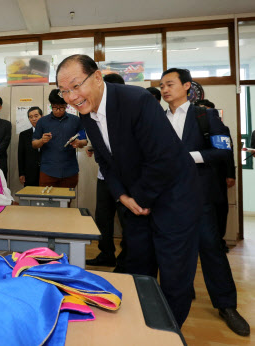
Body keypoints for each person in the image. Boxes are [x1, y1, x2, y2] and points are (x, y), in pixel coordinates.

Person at [57, 54, 201, 327]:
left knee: (174, 277)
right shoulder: (86, 113)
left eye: (76, 86)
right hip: (136, 200)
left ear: (97, 77)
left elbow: (163, 160)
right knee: (138, 269)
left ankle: (166, 335)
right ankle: (140, 330)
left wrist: (138, 199)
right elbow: (105, 160)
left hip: (174, 199)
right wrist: (123, 197)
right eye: (65, 91)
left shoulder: (136, 101)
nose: (72, 97)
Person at [161, 69, 249, 336]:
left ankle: (226, 305)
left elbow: (223, 151)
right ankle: (174, 301)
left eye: (170, 84)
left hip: (199, 198)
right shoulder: (157, 119)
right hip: (167, 200)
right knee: (172, 254)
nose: (164, 89)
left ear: (187, 86)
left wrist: (190, 157)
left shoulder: (205, 116)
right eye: (161, 85)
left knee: (211, 250)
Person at [86, 73, 127, 269]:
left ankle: (127, 259)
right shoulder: (93, 113)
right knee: (103, 217)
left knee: (127, 220)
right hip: (104, 177)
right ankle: (106, 253)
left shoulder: (128, 113)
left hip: (126, 179)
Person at [195, 99, 236, 252]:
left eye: (205, 110)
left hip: (218, 176)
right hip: (198, 178)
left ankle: (219, 240)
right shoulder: (193, 131)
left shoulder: (220, 129)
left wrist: (231, 174)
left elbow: (228, 154)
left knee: (219, 208)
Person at [32, 89, 87, 187]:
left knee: (67, 201)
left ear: (66, 106)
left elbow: (85, 141)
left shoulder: (76, 120)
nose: (58, 111)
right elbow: (34, 144)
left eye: (61, 108)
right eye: (54, 107)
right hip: (48, 171)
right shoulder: (42, 122)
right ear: (51, 105)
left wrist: (79, 143)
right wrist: (42, 141)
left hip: (70, 171)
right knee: (46, 201)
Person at [18, 106, 43, 186]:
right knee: (31, 196)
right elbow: (21, 155)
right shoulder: (24, 135)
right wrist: (21, 173)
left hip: (46, 172)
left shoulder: (49, 133)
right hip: (30, 172)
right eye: (31, 117)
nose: (34, 119)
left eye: (36, 116)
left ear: (42, 116)